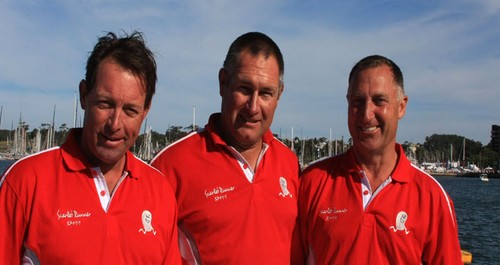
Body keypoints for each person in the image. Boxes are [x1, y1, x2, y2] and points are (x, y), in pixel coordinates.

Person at [0, 31, 181, 264]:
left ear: (145, 111)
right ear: (84, 95)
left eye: (130, 110)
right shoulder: (25, 181)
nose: (115, 124)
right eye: (105, 104)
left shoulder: (161, 192)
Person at [296, 55, 462, 264]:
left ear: (401, 106)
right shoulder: (312, 182)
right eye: (358, 101)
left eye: (379, 100)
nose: (366, 114)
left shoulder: (433, 198)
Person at [151, 32, 300, 265]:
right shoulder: (171, 164)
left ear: (279, 95)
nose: (253, 106)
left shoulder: (289, 162)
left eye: (265, 93)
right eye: (244, 88)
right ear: (223, 82)